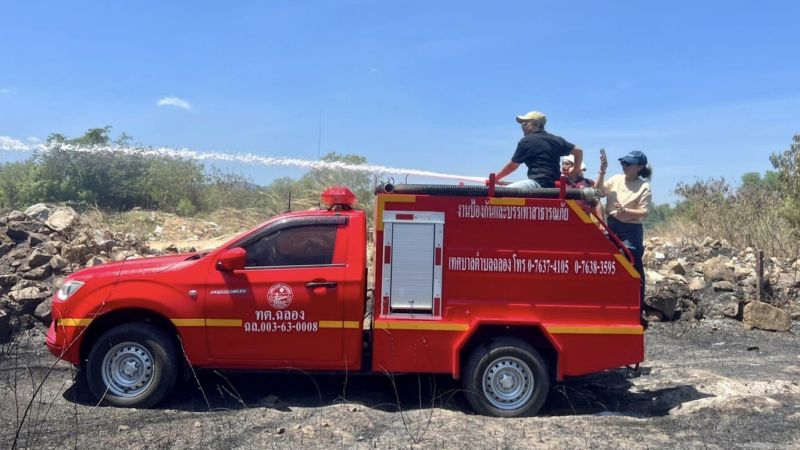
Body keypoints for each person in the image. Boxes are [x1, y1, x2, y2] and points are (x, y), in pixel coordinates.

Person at [596, 150, 652, 326]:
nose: (625, 166)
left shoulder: (644, 187)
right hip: (611, 226)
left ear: (639, 167)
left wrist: (625, 211)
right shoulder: (615, 179)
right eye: (623, 163)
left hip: (631, 230)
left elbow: (643, 213)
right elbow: (598, 192)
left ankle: (637, 310)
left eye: (629, 164)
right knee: (607, 265)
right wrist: (602, 171)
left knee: (633, 267)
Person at [495, 110, 584, 189]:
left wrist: (496, 178)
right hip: (555, 186)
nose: (523, 129)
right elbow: (579, 151)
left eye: (525, 125)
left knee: (501, 193)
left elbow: (512, 166)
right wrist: (574, 171)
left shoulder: (526, 141)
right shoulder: (556, 140)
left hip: (537, 183)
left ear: (535, 124)